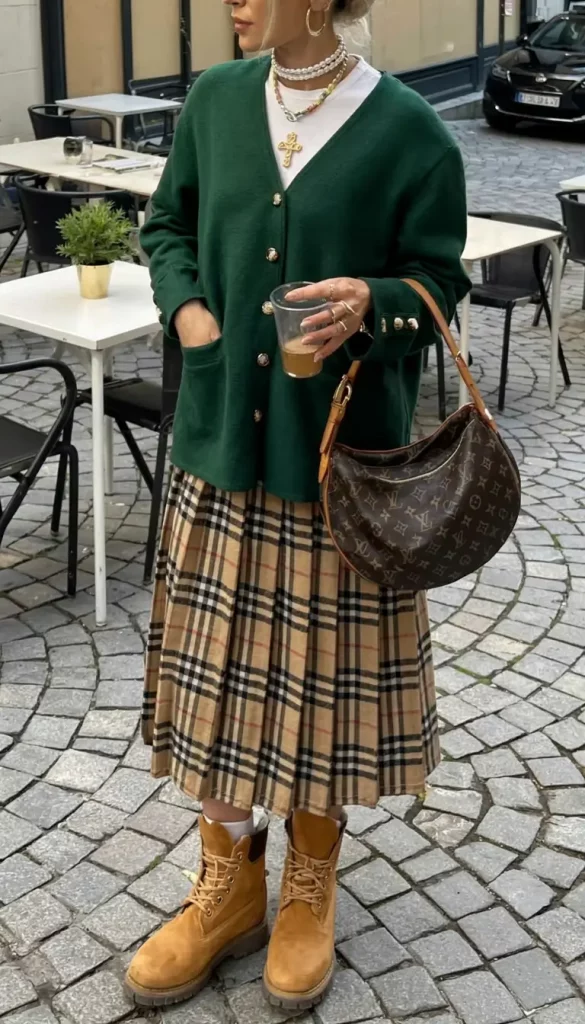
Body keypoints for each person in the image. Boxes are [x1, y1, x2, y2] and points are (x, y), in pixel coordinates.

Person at [126, 0, 470, 1011]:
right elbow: (167, 225)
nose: (230, 1)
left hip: (339, 471)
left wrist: (377, 302)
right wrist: (190, 313)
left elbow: (440, 282)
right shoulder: (216, 102)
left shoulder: (411, 131)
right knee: (216, 682)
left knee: (319, 691)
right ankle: (228, 886)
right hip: (222, 452)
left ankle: (310, 882)